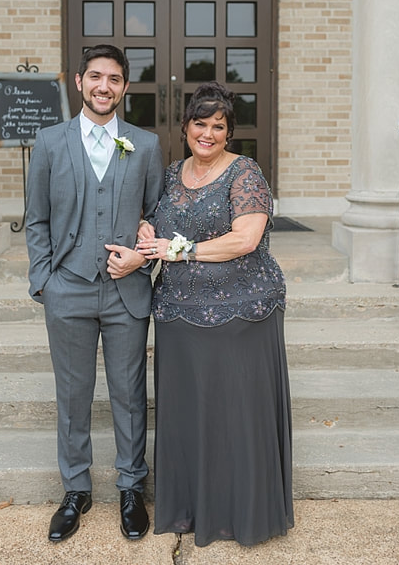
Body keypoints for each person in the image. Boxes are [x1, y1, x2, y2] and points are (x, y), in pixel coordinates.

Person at [137, 82, 292, 547]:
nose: (208, 133)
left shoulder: (245, 173)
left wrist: (178, 251)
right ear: (185, 126)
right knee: (190, 417)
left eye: (218, 126)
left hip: (240, 315)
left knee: (233, 418)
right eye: (200, 124)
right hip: (178, 318)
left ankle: (238, 513)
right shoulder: (167, 175)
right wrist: (146, 229)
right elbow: (152, 223)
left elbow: (245, 239)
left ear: (229, 132)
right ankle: (190, 509)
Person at [25, 44, 164, 543]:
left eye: (115, 79)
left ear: (124, 87)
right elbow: (36, 218)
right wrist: (43, 280)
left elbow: (156, 216)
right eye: (96, 77)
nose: (104, 86)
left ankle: (131, 487)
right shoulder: (49, 142)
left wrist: (142, 252)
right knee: (73, 395)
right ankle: (76, 490)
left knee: (129, 396)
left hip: (127, 291)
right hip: (68, 289)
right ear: (80, 82)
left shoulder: (145, 145)